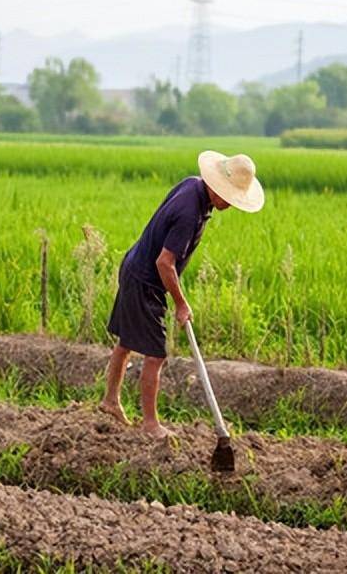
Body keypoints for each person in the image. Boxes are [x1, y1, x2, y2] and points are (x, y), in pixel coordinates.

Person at [98, 150, 264, 438]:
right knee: (156, 354)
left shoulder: (191, 185)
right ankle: (150, 425)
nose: (230, 205)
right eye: (230, 197)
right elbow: (165, 262)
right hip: (146, 281)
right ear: (217, 187)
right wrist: (180, 303)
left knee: (126, 341)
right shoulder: (189, 213)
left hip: (134, 266)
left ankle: (110, 401)